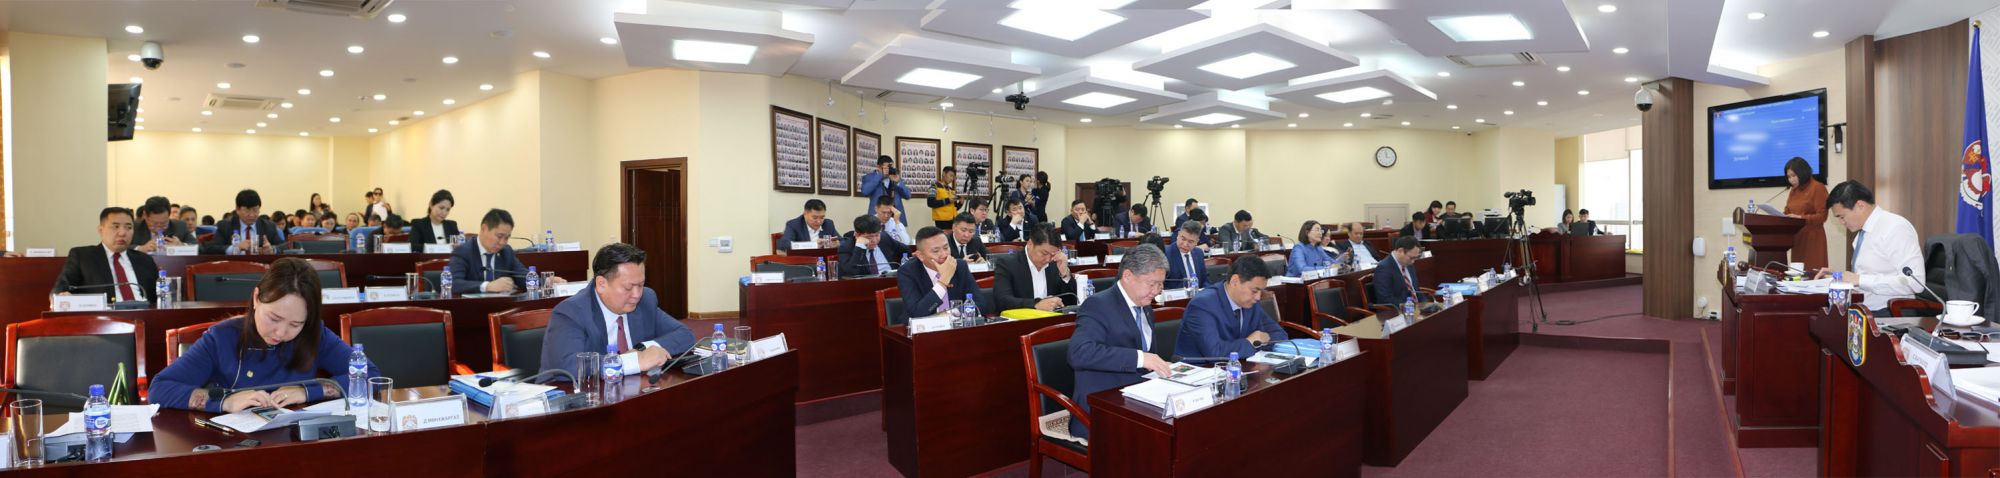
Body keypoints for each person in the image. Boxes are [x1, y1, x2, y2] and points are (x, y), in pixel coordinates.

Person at [148, 258, 376, 412]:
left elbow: (370, 376)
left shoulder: (316, 334)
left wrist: (307, 392)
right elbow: (160, 388)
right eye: (274, 318)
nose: (281, 332)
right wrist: (225, 402)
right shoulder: (221, 338)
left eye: (295, 324)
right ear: (257, 298)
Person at [539, 243, 695, 378]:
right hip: (573, 397)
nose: (637, 294)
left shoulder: (645, 300)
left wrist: (642, 349)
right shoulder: (570, 312)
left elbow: (684, 335)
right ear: (601, 284)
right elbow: (567, 365)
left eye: (641, 285)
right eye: (628, 287)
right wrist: (633, 361)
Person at [1066, 244, 1174, 440]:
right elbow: (1079, 352)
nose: (1157, 292)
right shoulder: (1098, 305)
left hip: (1138, 395)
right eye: (1152, 284)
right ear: (1128, 276)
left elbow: (1146, 355)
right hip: (1104, 404)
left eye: (1160, 285)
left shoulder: (1145, 306)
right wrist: (1140, 358)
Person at [1813, 181, 1923, 315]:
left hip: (1889, 312)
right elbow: (1867, 275)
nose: (1842, 222)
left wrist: (1859, 280)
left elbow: (1915, 283)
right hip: (1864, 310)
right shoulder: (1863, 232)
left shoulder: (1895, 228)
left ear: (1860, 205)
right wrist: (1839, 277)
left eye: (1842, 216)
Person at [1176, 256, 1288, 361]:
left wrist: (1262, 339)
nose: (1258, 297)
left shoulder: (1250, 302)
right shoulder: (1202, 305)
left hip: (1239, 367)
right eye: (1254, 291)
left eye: (1261, 291)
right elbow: (1215, 353)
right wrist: (1250, 342)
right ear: (1235, 281)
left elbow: (1280, 335)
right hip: (1201, 370)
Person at [447, 208, 568, 295]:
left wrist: (546, 281)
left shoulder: (506, 252)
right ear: (484, 228)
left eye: (507, 238)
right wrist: (487, 286)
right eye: (499, 236)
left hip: (501, 310)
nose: (502, 242)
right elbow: (453, 283)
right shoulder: (463, 251)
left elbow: (522, 276)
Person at [53, 207, 159, 303]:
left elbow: (158, 296)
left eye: (128, 227)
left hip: (144, 314)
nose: (122, 233)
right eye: (116, 226)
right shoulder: (82, 256)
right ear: (101, 230)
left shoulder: (145, 260)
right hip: (104, 316)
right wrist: (61, 296)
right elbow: (61, 288)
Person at [898, 226, 979, 318]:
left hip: (956, 324)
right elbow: (917, 313)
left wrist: (952, 314)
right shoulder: (908, 272)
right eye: (936, 251)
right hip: (923, 326)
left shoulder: (959, 266)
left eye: (946, 248)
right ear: (920, 255)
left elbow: (979, 303)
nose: (944, 255)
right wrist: (943, 281)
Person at [993, 224, 1076, 311]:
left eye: (1052, 254)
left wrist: (1065, 274)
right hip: (1022, 319)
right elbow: (1002, 301)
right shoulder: (1007, 264)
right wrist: (1036, 304)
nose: (1048, 259)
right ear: (1030, 244)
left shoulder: (1055, 262)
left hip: (1053, 318)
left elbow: (1072, 302)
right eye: (1044, 253)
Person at [1781, 157, 1831, 271]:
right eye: (1789, 177)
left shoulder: (1818, 187)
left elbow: (1822, 216)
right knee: (1797, 274)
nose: (1791, 180)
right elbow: (1788, 211)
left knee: (1812, 273)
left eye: (1794, 175)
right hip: (1797, 238)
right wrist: (1781, 216)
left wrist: (1800, 218)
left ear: (1802, 172)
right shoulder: (1793, 190)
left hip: (1813, 238)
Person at [200, 189, 283, 255]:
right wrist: (236, 248)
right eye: (247, 210)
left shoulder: (268, 226)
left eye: (255, 210)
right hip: (234, 268)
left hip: (261, 268)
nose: (251, 215)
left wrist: (273, 249)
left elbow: (284, 246)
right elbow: (210, 248)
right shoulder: (225, 226)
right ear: (237, 209)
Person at [838, 214, 908, 277]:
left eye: (877, 235)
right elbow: (851, 272)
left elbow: (906, 250)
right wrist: (859, 247)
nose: (874, 240)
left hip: (892, 280)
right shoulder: (846, 247)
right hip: (866, 284)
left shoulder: (884, 238)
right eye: (869, 237)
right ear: (857, 235)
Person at [859, 156, 911, 225]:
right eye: (886, 168)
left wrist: (898, 182)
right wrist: (880, 176)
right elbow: (865, 192)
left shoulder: (895, 177)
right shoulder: (869, 177)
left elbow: (908, 196)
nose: (889, 170)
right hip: (878, 217)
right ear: (878, 167)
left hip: (895, 217)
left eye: (890, 167)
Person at [1374, 236, 1425, 306]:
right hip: (1397, 310)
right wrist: (1410, 307)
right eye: (1411, 258)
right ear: (1400, 251)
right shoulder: (1384, 268)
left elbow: (1416, 290)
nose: (1413, 261)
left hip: (1416, 308)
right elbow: (1385, 299)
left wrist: (1426, 305)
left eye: (1416, 258)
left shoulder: (1408, 264)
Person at [1165, 220, 1210, 289]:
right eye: (1183, 239)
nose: (1185, 244)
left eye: (1190, 241)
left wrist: (1206, 292)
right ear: (1178, 235)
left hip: (1198, 294)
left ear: (1197, 242)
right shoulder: (1166, 253)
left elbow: (1205, 279)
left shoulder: (1199, 253)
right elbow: (1162, 284)